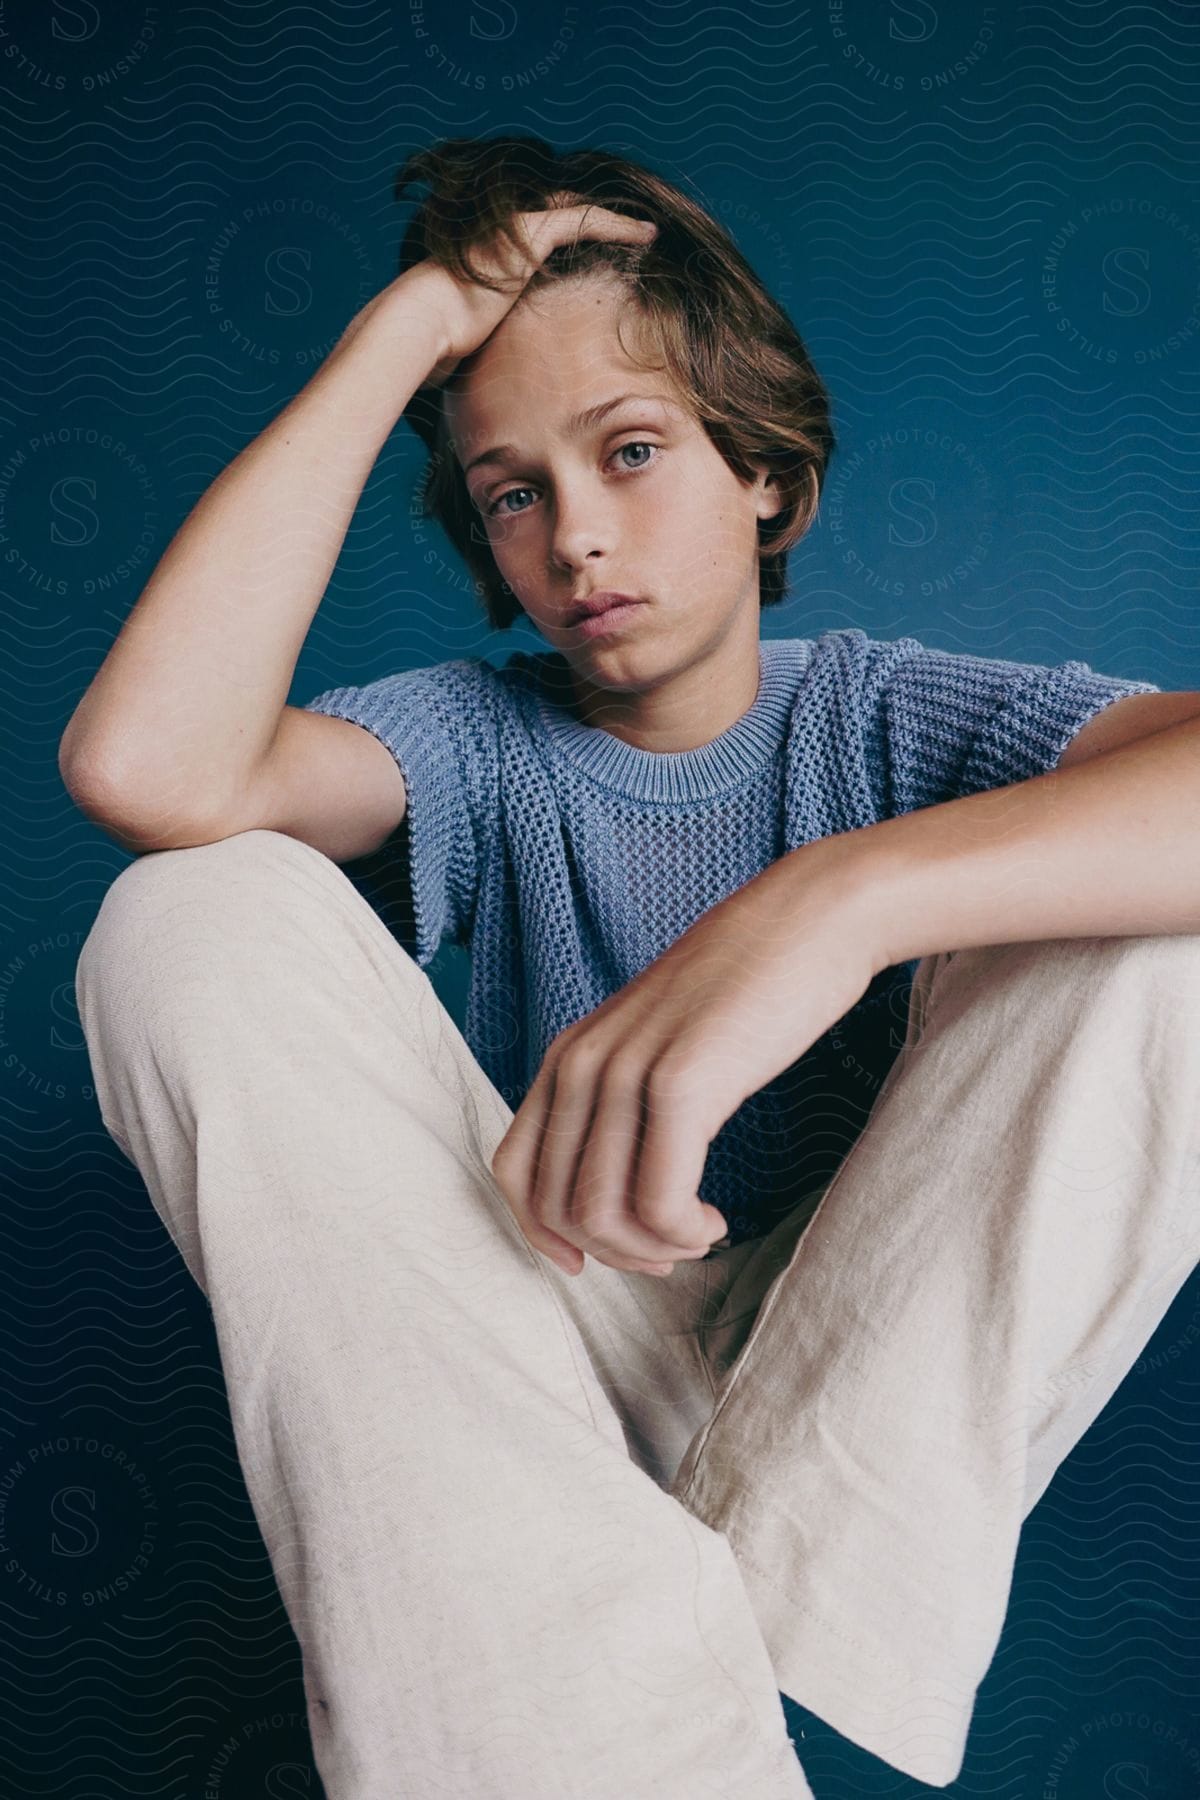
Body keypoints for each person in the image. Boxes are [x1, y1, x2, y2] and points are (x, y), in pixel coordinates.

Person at [60, 134, 1200, 1799]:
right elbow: (147, 769)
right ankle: (630, 1707)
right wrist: (404, 341)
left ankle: (755, 1570)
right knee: (185, 909)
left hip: (861, 1369)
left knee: (1172, 931)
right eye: (515, 491)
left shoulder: (886, 713)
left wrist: (832, 900)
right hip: (552, 1349)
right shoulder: (479, 740)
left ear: (764, 475)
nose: (575, 535)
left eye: (634, 450)